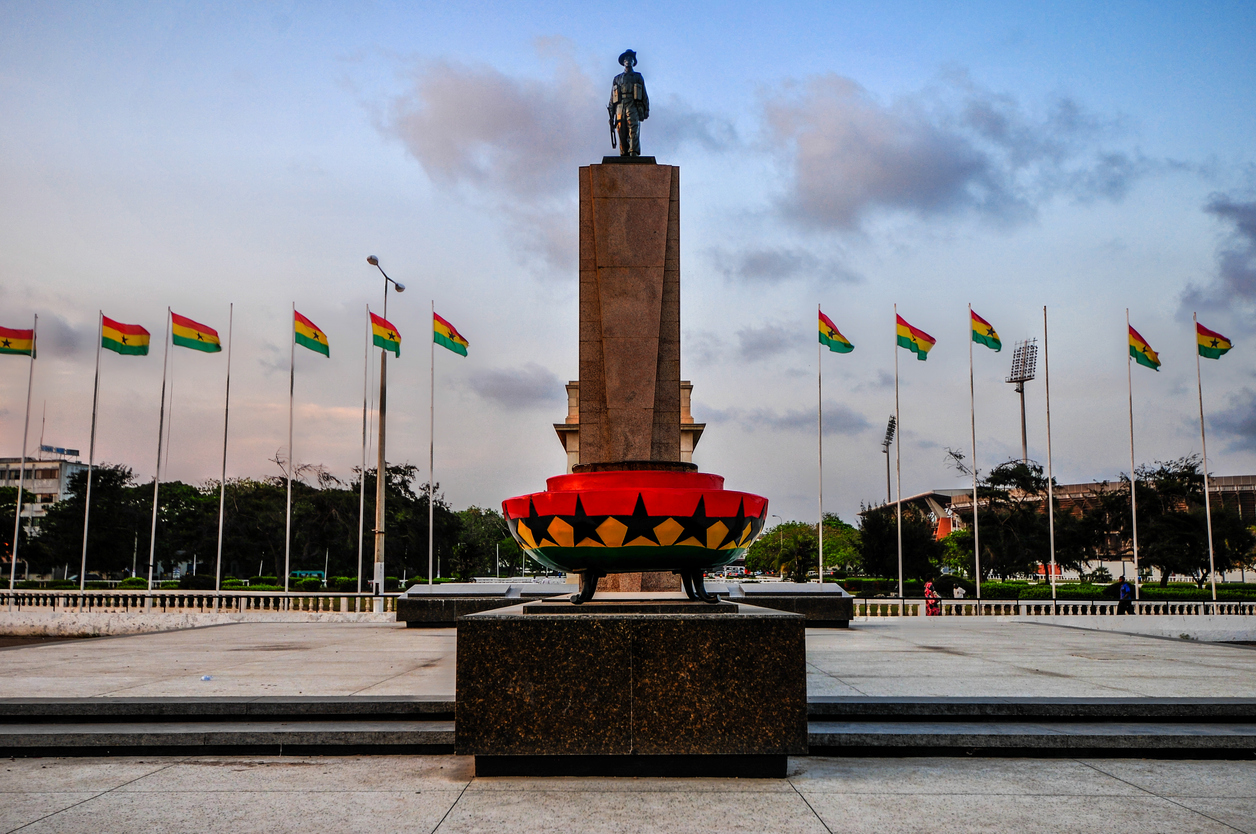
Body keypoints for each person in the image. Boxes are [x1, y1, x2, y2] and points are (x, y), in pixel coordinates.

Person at [608, 50, 649, 156]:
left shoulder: (638, 77)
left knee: (633, 128)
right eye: (626, 59)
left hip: (633, 104)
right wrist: (611, 114)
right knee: (621, 129)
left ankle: (633, 151)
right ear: (623, 62)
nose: (628, 60)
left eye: (631, 59)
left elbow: (644, 95)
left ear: (634, 61)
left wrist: (646, 109)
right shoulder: (617, 78)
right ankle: (624, 153)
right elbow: (612, 97)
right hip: (620, 106)